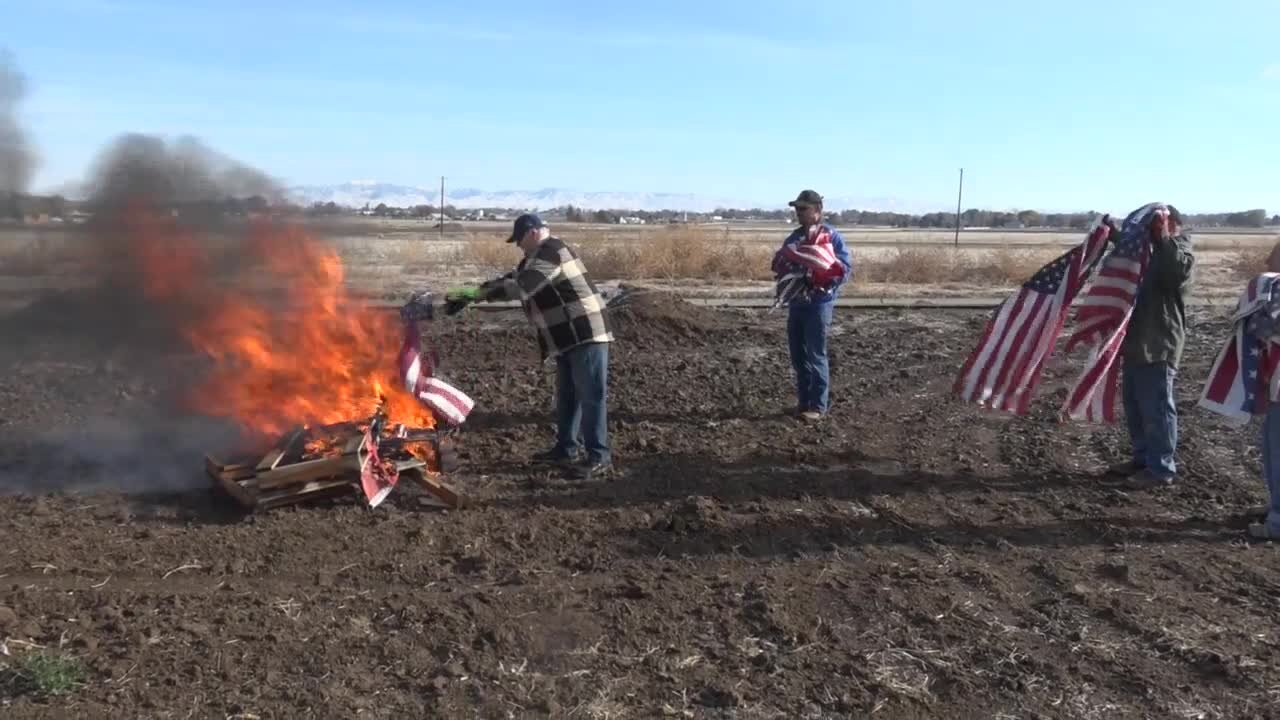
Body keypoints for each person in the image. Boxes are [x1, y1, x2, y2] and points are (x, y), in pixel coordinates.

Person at [451, 213, 615, 480]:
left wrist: (481, 295)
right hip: (566, 337)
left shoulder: (552, 251)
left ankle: (599, 457)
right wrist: (475, 293)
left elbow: (524, 286)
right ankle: (566, 449)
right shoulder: (535, 257)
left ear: (532, 233)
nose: (518, 246)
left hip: (585, 333)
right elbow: (513, 277)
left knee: (591, 396)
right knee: (568, 396)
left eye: (519, 240)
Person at [1108, 205, 1195, 489]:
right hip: (1136, 341)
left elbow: (1175, 272)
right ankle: (1143, 458)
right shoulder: (1149, 252)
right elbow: (1130, 259)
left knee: (1157, 408)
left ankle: (1161, 469)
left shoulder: (1180, 250)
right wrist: (1113, 234)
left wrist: (1164, 237)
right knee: (1135, 407)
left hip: (1159, 342)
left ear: (1174, 226)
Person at [772, 189, 852, 421]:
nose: (798, 213)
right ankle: (804, 402)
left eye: (803, 209)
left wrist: (822, 275)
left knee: (816, 354)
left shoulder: (832, 237)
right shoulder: (795, 238)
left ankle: (818, 406)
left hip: (819, 304)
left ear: (817, 210)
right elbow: (781, 261)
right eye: (796, 209)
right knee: (798, 355)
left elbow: (844, 270)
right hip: (797, 304)